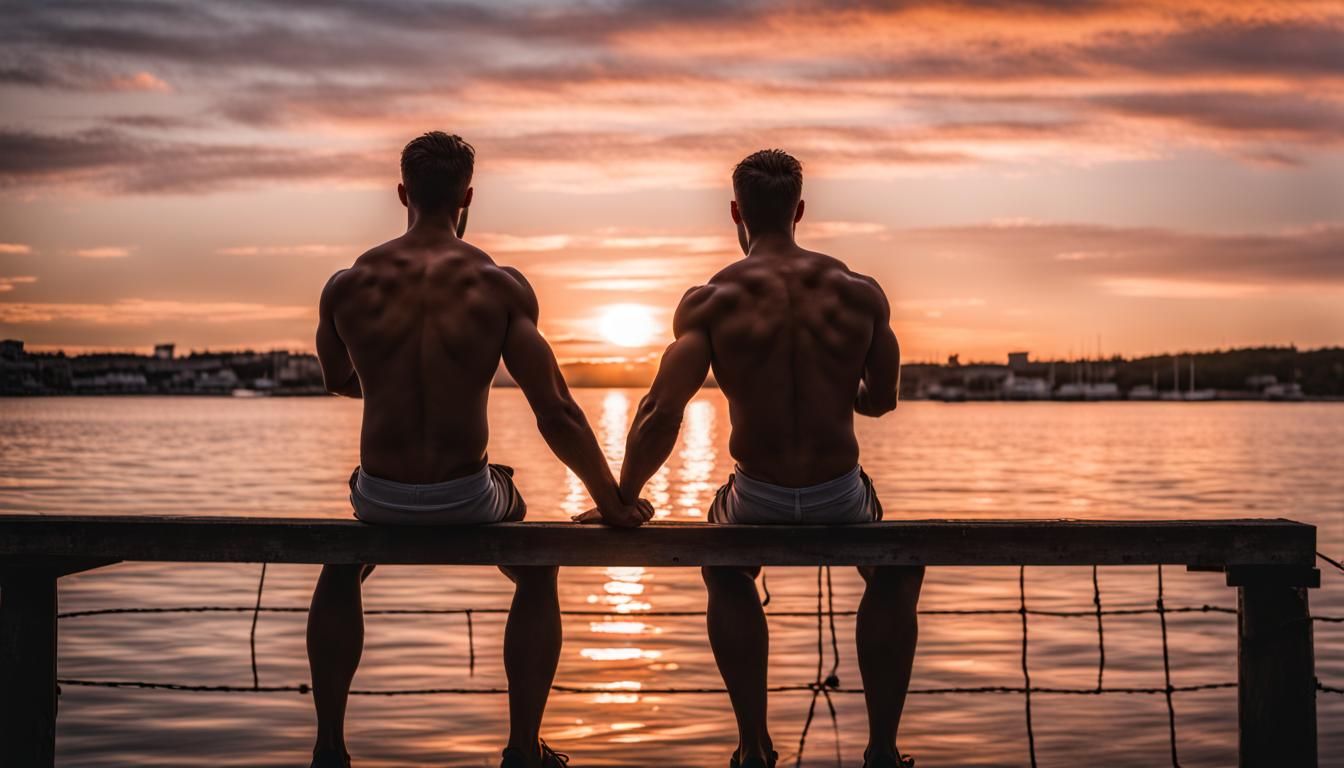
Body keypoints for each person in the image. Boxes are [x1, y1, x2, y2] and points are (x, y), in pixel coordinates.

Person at [309, 131, 652, 768]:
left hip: (379, 496)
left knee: (340, 564)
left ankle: (330, 747)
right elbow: (556, 411)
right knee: (536, 565)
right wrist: (612, 501)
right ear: (467, 196)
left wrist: (388, 384)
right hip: (467, 496)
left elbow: (337, 380)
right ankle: (522, 749)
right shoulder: (498, 286)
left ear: (402, 193)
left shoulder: (348, 285)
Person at [580, 149, 921, 768]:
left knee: (725, 569)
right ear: (800, 210)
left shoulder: (711, 300)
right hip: (840, 494)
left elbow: (660, 411)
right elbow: (882, 402)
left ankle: (753, 746)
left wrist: (623, 497)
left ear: (736, 212)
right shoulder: (861, 294)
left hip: (756, 493)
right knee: (896, 570)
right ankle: (882, 751)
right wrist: (832, 388)